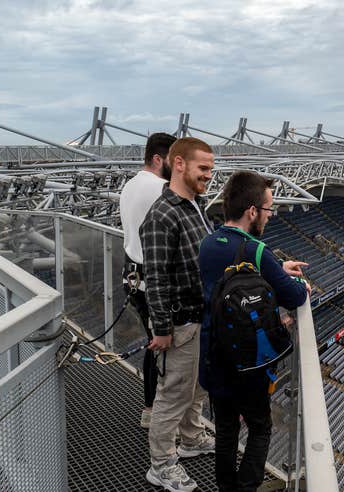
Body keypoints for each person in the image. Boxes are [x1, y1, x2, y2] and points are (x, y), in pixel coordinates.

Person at [198, 170, 311, 492]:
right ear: (252, 212)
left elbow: (226, 279)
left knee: (226, 430)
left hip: (213, 357)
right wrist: (295, 278)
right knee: (260, 428)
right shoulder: (257, 251)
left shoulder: (207, 244)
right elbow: (294, 295)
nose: (269, 216)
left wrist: (276, 269)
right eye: (268, 209)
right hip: (248, 365)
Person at [140, 137, 217, 492]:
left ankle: (190, 438)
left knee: (196, 389)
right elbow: (155, 276)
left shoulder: (194, 206)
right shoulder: (163, 213)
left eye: (211, 170)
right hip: (181, 322)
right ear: (180, 164)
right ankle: (161, 464)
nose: (209, 176)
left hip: (199, 318)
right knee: (172, 395)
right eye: (203, 168)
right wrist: (162, 328)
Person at [119, 132, 176, 429]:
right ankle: (159, 418)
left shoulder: (129, 186)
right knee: (166, 350)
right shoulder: (162, 189)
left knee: (155, 345)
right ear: (158, 158)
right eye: (173, 160)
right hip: (156, 283)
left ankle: (151, 409)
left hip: (135, 279)